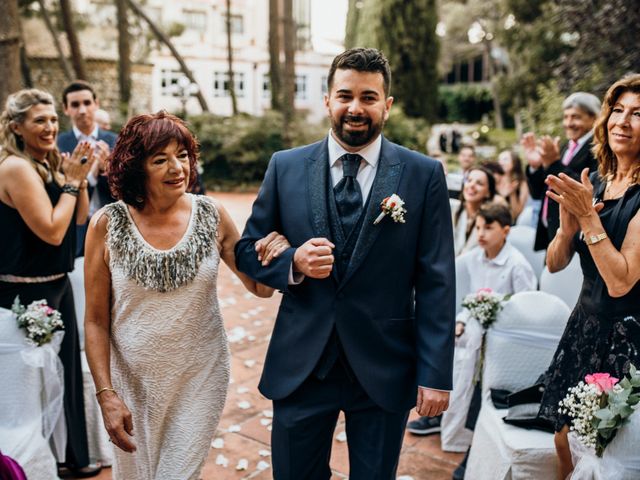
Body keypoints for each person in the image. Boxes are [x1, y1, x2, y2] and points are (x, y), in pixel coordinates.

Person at [235, 48, 456, 479]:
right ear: (328, 101)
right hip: (303, 366)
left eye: (369, 97)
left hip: (383, 365)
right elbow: (247, 250)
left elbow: (437, 281)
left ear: (386, 106)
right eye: (345, 96)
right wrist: (292, 262)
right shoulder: (286, 167)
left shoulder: (423, 174)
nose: (356, 108)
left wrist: (436, 374)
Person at [83, 111, 286, 479]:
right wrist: (106, 394)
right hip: (132, 383)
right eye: (160, 159)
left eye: (183, 155)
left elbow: (260, 288)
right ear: (135, 167)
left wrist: (275, 254)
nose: (177, 167)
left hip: (199, 374)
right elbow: (96, 320)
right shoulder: (106, 224)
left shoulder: (211, 214)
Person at [537, 74, 640, 479]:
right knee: (563, 439)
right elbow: (554, 263)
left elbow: (621, 281)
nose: (623, 121)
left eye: (638, 114)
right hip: (584, 327)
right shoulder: (595, 181)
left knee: (604, 450)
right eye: (617, 110)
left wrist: (587, 216)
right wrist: (566, 230)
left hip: (627, 338)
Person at [0, 89, 101, 477]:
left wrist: (80, 177)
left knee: (66, 374)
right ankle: (34, 463)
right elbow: (52, 232)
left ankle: (73, 455)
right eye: (39, 120)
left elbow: (78, 220)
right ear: (17, 127)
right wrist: (72, 183)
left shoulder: (47, 162)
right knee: (31, 382)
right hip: (23, 291)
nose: (50, 127)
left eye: (53, 120)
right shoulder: (15, 168)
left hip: (57, 284)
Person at [521, 92, 601, 250]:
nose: (568, 123)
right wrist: (536, 166)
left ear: (594, 118)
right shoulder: (566, 146)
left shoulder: (599, 149)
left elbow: (588, 191)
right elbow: (538, 193)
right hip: (552, 235)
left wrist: (553, 163)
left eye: (575, 117)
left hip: (577, 238)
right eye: (566, 117)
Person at [58, 80, 118, 256]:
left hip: (112, 224)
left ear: (96, 104)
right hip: (74, 226)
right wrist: (89, 176)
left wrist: (107, 171)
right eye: (75, 105)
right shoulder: (58, 144)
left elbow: (127, 189)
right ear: (65, 109)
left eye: (87, 103)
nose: (82, 110)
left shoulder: (116, 141)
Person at [450, 166, 500, 256]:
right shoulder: (452, 209)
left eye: (479, 183)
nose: (472, 185)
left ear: (488, 193)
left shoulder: (492, 221)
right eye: (469, 180)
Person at [496, 149, 529, 222]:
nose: (501, 162)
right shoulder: (495, 179)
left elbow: (516, 214)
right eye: (499, 159)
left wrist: (512, 193)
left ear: (514, 163)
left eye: (505, 159)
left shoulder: (522, 183)